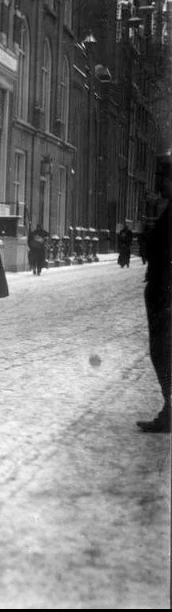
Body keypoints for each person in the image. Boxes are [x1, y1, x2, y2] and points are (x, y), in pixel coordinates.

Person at [137, 156, 171, 433]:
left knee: (163, 351)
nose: (160, 186)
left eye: (164, 179)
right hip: (161, 291)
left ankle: (169, 411)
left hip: (165, 294)